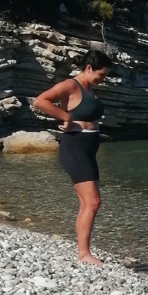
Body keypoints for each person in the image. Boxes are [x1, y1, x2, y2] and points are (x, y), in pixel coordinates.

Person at [32, 49, 113, 265]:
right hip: (75, 147)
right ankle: (84, 254)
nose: (102, 79)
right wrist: (65, 116)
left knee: (87, 203)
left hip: (88, 149)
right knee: (93, 202)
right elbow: (40, 101)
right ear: (89, 68)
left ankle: (83, 251)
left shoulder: (89, 88)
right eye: (101, 74)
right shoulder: (71, 85)